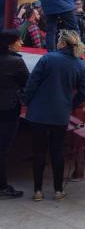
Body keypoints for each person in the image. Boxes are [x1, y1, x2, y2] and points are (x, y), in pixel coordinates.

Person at [23, 29, 85, 201]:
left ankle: (38, 191)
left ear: (63, 43)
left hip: (38, 112)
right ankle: (58, 190)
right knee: (57, 151)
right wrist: (71, 105)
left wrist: (27, 101)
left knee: (38, 152)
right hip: (60, 113)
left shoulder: (47, 58)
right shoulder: (79, 64)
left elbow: (32, 83)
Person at [0, 29, 28, 198]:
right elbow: (28, 82)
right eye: (19, 40)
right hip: (8, 109)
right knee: (3, 148)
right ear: (10, 44)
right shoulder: (15, 62)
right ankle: (2, 186)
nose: (21, 43)